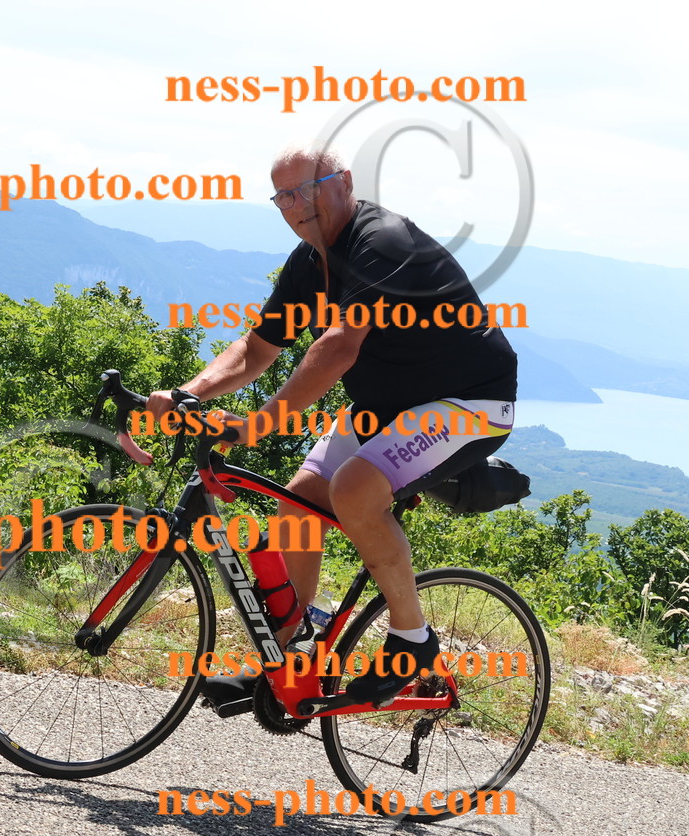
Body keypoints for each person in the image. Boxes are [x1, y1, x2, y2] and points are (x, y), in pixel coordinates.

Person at [146, 138, 518, 714]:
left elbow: (341, 346)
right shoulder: (308, 262)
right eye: (283, 196)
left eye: (305, 190)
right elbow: (257, 348)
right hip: (387, 408)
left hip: (467, 403)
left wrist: (259, 423)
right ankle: (291, 661)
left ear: (343, 183)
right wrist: (188, 394)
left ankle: (411, 641)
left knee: (352, 489)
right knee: (299, 502)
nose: (296, 206)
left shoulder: (382, 242)